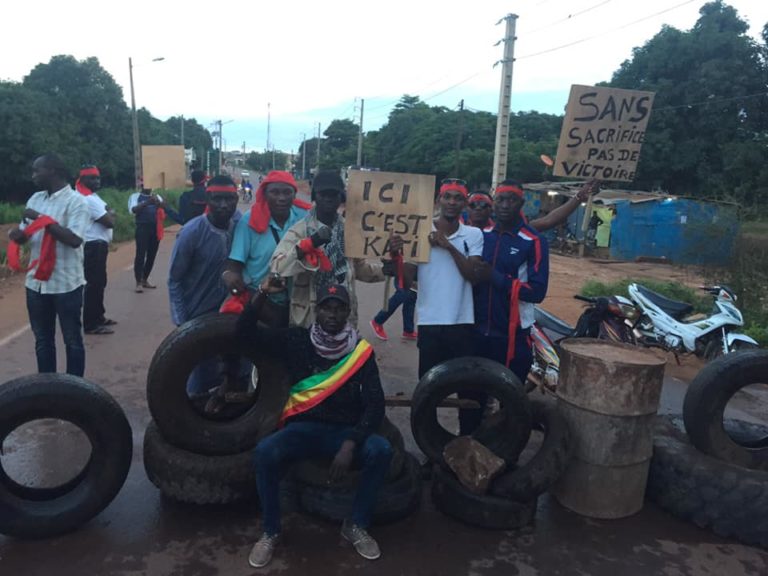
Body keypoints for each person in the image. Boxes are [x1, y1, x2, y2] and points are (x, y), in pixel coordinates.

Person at [239, 282, 390, 568]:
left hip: (344, 432)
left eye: (339, 308)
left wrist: (352, 442)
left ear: (347, 312)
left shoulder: (361, 352)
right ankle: (271, 531)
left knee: (381, 450)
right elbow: (245, 334)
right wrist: (262, 293)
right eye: (326, 308)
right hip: (303, 431)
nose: (332, 314)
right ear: (316, 310)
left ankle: (357, 524)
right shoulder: (295, 340)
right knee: (264, 453)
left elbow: (375, 404)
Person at [398, 178, 488, 434]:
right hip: (430, 323)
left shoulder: (473, 234)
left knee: (466, 390)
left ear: (464, 203)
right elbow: (406, 281)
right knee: (429, 390)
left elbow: (473, 274)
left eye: (457, 198)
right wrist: (399, 254)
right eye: (447, 197)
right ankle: (431, 449)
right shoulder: (419, 230)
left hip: (462, 323)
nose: (452, 202)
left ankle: (466, 444)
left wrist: (447, 246)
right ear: (439, 200)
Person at [270, 169, 386, 328]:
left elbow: (359, 269)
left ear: (341, 198)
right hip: (309, 318)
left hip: (343, 317)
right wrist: (309, 243)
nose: (328, 199)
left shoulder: (350, 231)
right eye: (323, 194)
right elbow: (277, 267)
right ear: (314, 197)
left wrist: (386, 270)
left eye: (333, 194)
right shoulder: (301, 230)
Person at [8, 154, 90, 376]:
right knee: (43, 340)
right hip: (36, 283)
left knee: (72, 340)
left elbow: (74, 240)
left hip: (66, 283)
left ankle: (74, 389)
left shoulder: (77, 202)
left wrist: (39, 218)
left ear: (52, 170)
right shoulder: (35, 198)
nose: (33, 176)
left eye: (37, 171)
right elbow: (28, 235)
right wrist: (18, 235)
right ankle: (47, 388)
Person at [168, 175, 244, 406]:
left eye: (229, 199)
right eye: (217, 199)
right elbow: (174, 280)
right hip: (198, 316)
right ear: (207, 199)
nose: (223, 205)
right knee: (200, 378)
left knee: (238, 373)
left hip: (233, 314)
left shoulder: (241, 225)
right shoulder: (192, 232)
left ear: (236, 199)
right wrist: (183, 323)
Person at [473, 180, 549, 390]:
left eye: (512, 200)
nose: (505, 205)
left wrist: (494, 276)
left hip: (513, 338)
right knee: (471, 400)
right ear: (494, 203)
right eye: (501, 200)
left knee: (511, 401)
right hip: (477, 334)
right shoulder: (480, 237)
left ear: (521, 203)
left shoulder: (533, 241)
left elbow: (537, 292)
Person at [223, 171, 310, 320]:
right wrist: (230, 275)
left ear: (294, 195)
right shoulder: (249, 221)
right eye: (274, 192)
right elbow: (236, 261)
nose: (281, 198)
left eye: (287, 192)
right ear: (265, 194)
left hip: (296, 300)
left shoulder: (305, 218)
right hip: (259, 296)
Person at [76, 165, 116, 335]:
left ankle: (99, 316)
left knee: (100, 282)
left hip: (98, 245)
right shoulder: (89, 200)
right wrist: (111, 213)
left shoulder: (92, 196)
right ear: (83, 179)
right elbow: (110, 221)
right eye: (92, 178)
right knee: (94, 284)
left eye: (98, 178)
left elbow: (108, 212)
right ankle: (91, 323)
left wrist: (109, 213)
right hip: (93, 245)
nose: (97, 181)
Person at [128, 187, 166, 293]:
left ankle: (145, 279)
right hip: (142, 228)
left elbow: (165, 207)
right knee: (140, 254)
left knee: (152, 255)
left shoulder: (156, 196)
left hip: (156, 228)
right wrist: (147, 202)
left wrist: (159, 202)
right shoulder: (135, 196)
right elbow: (133, 210)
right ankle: (138, 282)